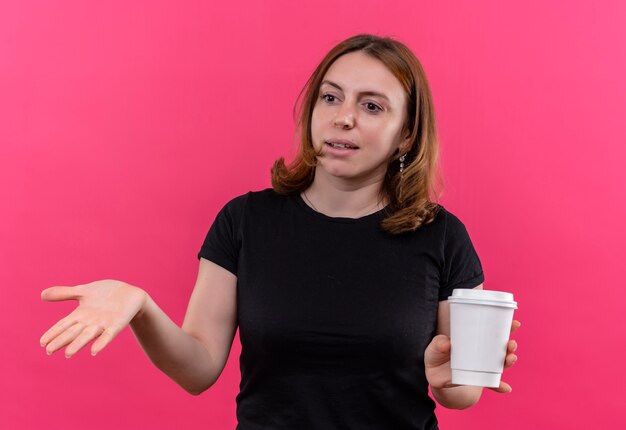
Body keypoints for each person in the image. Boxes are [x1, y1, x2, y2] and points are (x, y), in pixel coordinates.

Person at [40, 34, 520, 429]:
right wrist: (140, 305)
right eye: (331, 97)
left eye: (372, 107)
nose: (343, 117)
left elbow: (463, 393)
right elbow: (197, 369)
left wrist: (445, 381)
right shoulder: (245, 221)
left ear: (408, 134)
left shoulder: (441, 236)